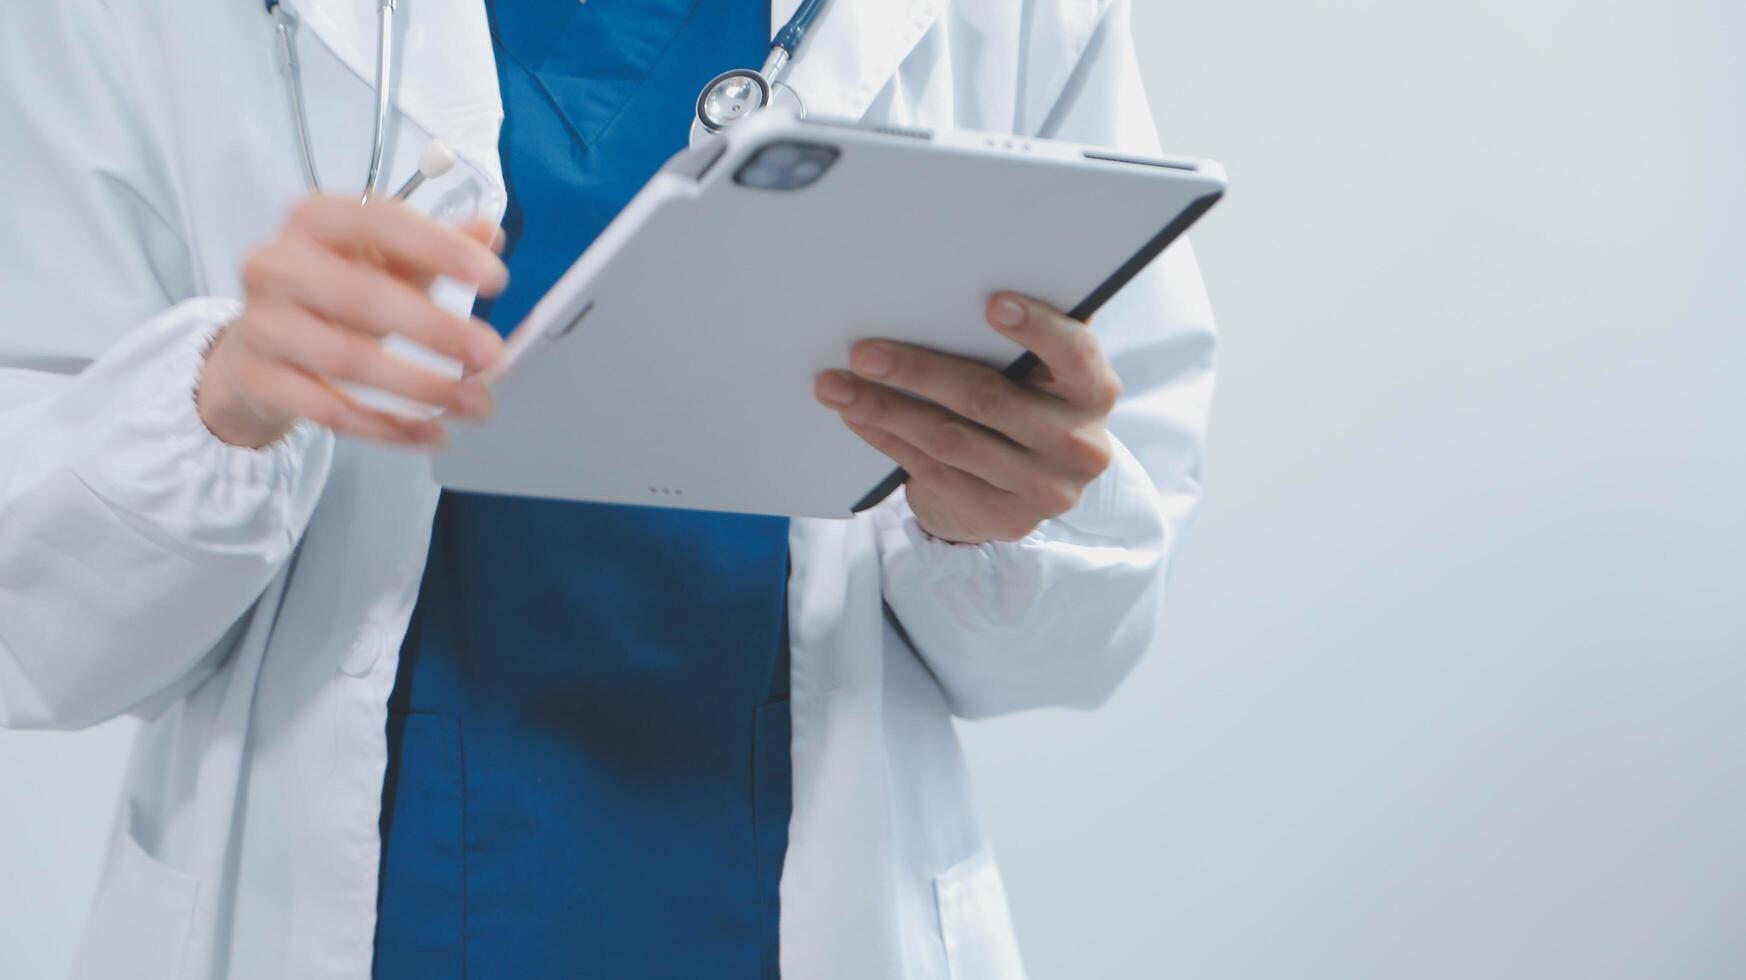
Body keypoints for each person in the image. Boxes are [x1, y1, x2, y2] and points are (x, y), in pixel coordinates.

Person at [0, 0, 1216, 977]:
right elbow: (30, 619)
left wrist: (999, 506)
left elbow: (1085, 631)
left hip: (792, 896)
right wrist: (217, 401)